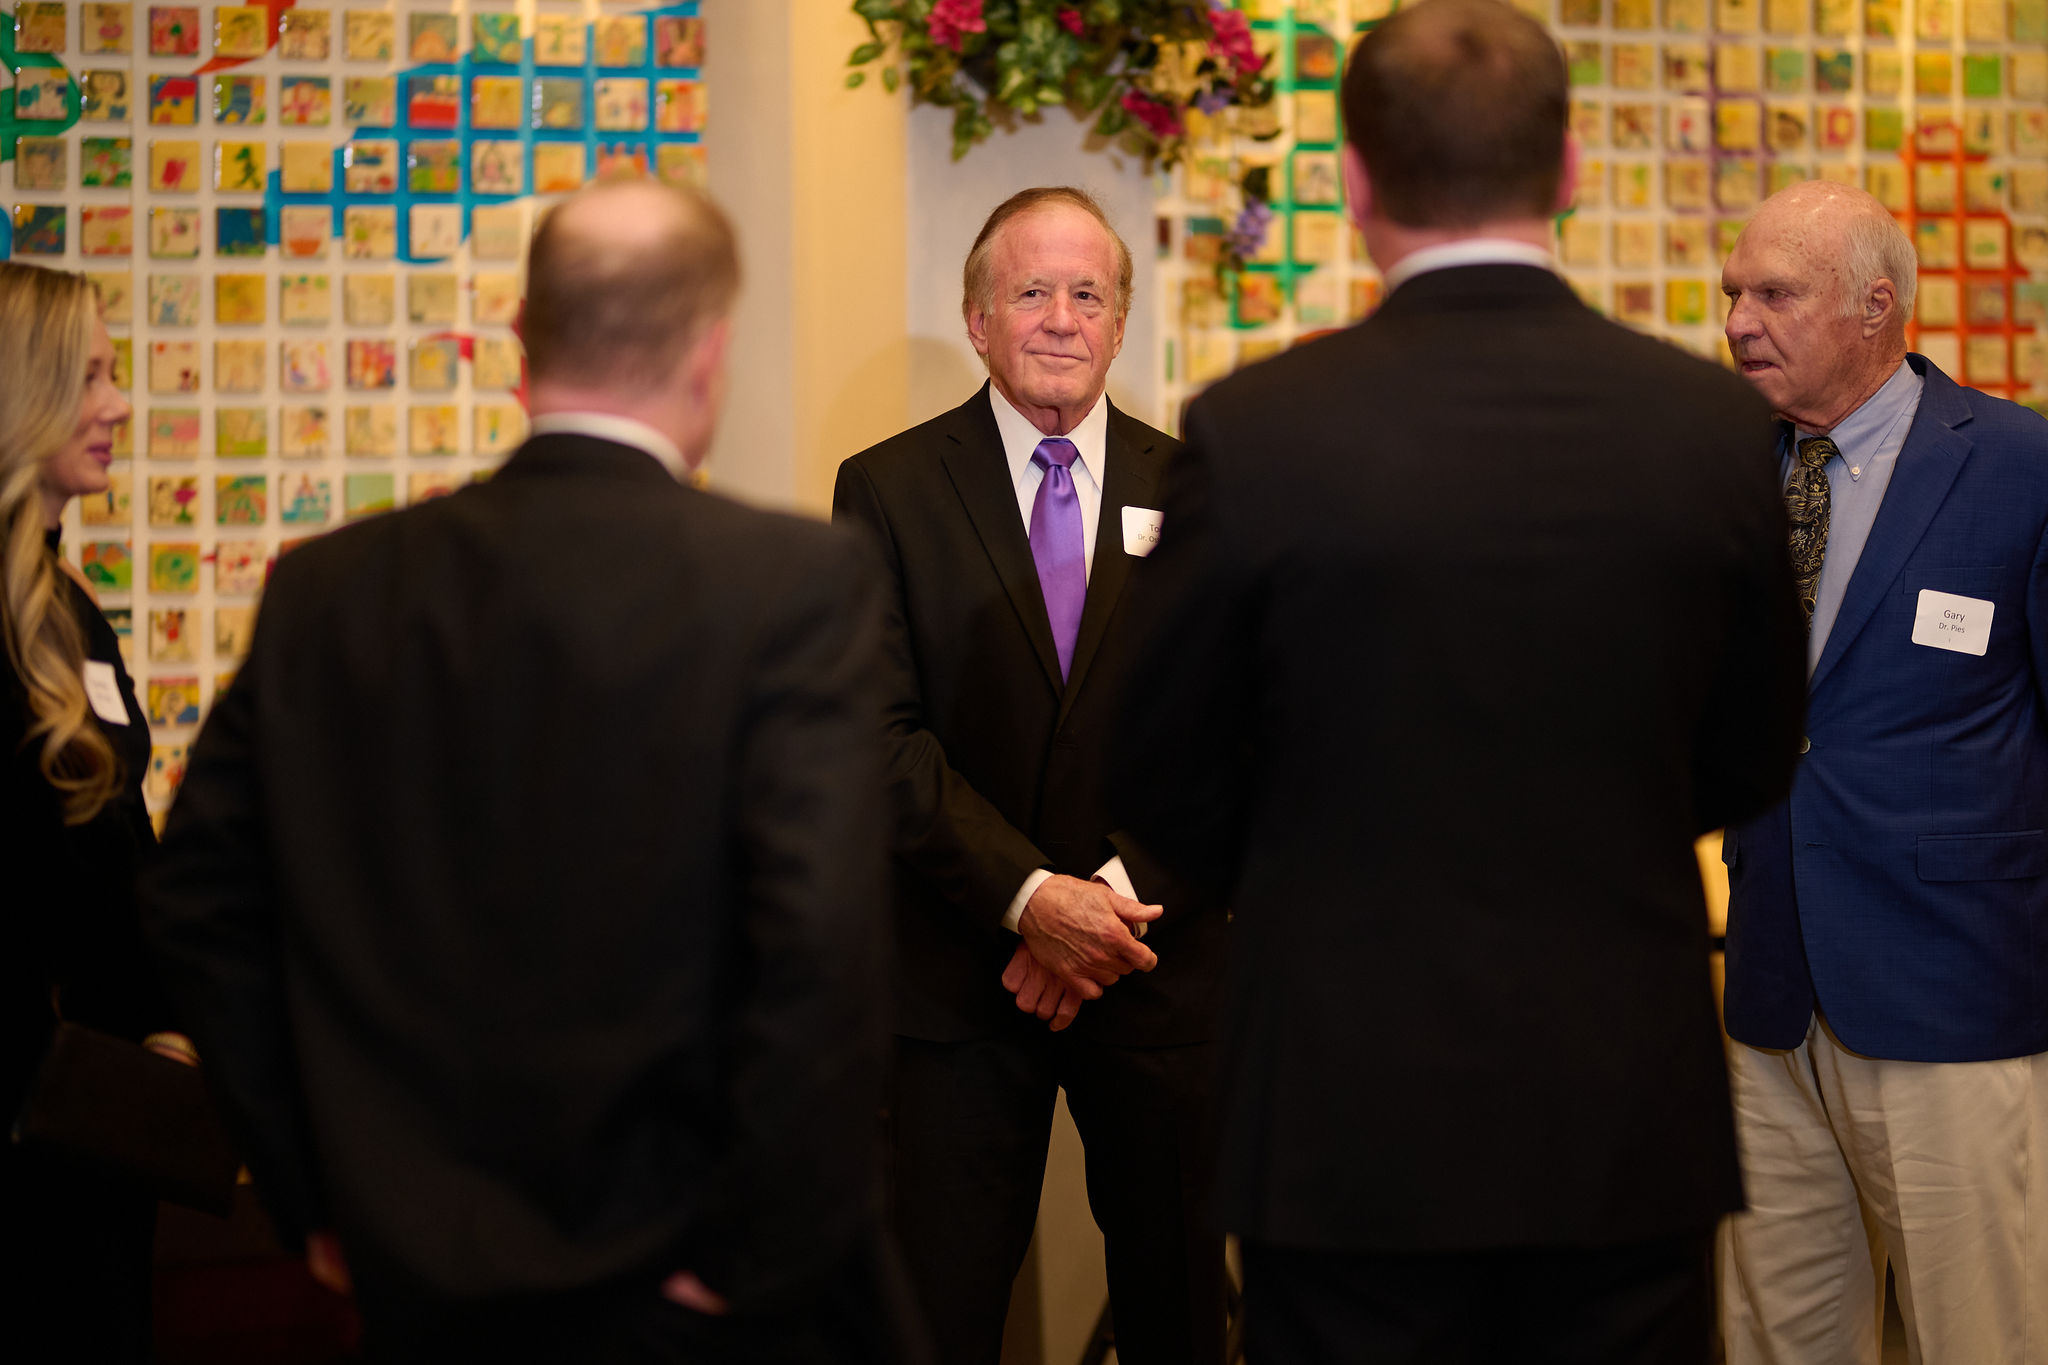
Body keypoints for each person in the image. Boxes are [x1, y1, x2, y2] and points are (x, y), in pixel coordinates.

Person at [1107, 1, 1810, 1360]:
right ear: (1569, 170)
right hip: (1619, 1111)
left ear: (1354, 181)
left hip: (1343, 1114)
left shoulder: (1256, 431)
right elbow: (1749, 752)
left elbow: (1164, 782)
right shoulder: (1708, 427)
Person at [144, 181, 907, 1363]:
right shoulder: (791, 583)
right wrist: (755, 1248)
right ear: (708, 352)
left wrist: (317, 1193)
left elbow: (199, 904)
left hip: (422, 1273)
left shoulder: (333, 590)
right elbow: (818, 944)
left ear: (522, 342)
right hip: (691, 1280)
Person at [833, 187, 1229, 1364]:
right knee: (939, 1319)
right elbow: (876, 734)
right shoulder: (887, 488)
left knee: (1179, 1323)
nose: (1061, 317)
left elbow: (1235, 735)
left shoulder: (1203, 490)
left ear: (1119, 323)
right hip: (961, 979)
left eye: (1087, 293)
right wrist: (1029, 901)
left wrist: (1101, 906)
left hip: (1152, 966)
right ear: (976, 319)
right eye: (1031, 291)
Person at [1717, 181, 2048, 1364]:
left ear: (1873, 307)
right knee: (1778, 1336)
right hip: (1767, 992)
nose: (1738, 322)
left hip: (1953, 993)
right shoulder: (1721, 473)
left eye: (1773, 294)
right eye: (1730, 294)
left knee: (1980, 1337)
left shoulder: (2018, 465)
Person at [0, 261, 184, 1361]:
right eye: (91, 377)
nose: (119, 404)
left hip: (104, 1124)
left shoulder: (66, 608)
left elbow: (116, 847)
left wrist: (168, 1014)